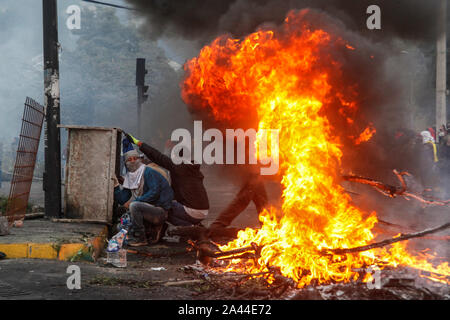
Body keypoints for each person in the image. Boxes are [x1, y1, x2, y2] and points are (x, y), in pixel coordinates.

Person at [124, 133, 210, 227]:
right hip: (203, 211)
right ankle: (194, 226)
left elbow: (158, 157)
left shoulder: (179, 167)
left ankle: (189, 227)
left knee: (163, 208)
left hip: (193, 211)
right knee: (168, 205)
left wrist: (138, 143)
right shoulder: (192, 168)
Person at [114, 148, 174, 246]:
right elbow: (123, 200)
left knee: (134, 206)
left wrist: (136, 201)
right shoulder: (130, 177)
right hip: (145, 211)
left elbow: (154, 192)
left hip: (159, 211)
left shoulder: (148, 172)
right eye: (129, 159)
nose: (133, 161)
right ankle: (150, 230)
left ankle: (140, 238)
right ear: (126, 163)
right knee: (120, 227)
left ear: (140, 159)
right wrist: (116, 186)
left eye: (135, 158)